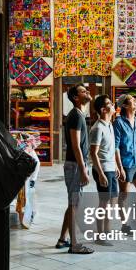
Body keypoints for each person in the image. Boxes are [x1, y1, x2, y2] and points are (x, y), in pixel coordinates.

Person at [56, 83, 94, 254]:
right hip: (75, 165)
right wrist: (83, 169)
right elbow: (75, 145)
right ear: (75, 97)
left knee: (72, 203)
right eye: (83, 91)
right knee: (74, 204)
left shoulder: (78, 114)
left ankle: (63, 239)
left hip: (76, 164)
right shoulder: (76, 116)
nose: (87, 92)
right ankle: (75, 245)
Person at [113, 93, 136, 231]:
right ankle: (124, 224)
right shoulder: (118, 123)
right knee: (124, 195)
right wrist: (119, 167)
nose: (135, 101)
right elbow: (115, 147)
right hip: (125, 164)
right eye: (132, 100)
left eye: (134, 99)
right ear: (125, 106)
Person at [90, 95, 119, 246]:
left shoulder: (110, 125)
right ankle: (100, 236)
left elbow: (111, 149)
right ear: (103, 109)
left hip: (110, 168)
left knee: (112, 200)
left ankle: (107, 231)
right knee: (104, 203)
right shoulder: (98, 128)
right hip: (102, 170)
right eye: (109, 103)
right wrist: (101, 173)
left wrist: (115, 165)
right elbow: (93, 153)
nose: (113, 105)